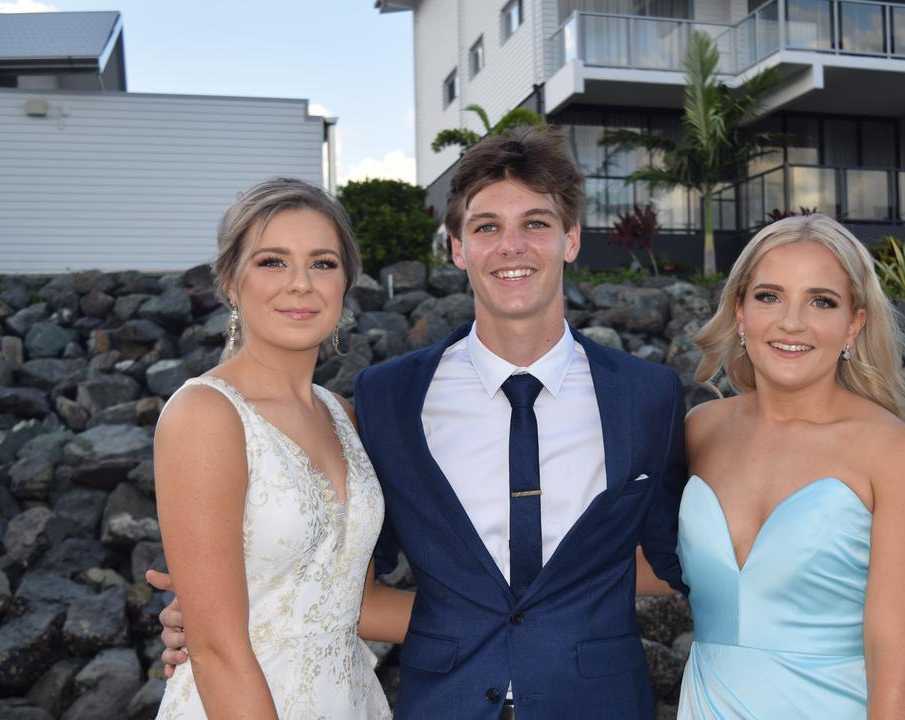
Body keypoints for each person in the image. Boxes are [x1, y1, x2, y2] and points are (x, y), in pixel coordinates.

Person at [153, 129, 689, 719]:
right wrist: (210, 620)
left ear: (571, 239)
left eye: (535, 223)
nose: (511, 246)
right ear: (456, 247)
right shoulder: (386, 400)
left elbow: (678, 556)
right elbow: (327, 583)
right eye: (486, 226)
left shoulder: (647, 396)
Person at [149, 178, 410, 719]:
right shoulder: (205, 415)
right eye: (272, 261)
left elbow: (353, 604)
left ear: (345, 283)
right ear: (230, 280)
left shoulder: (345, 417)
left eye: (322, 263)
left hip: (349, 699)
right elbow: (218, 649)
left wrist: (517, 618)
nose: (300, 284)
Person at [676, 214, 905, 718]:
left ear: (854, 324)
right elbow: (637, 563)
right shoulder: (699, 430)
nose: (791, 322)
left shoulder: (896, 455)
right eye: (769, 296)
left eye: (821, 301)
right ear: (740, 312)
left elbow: (897, 662)